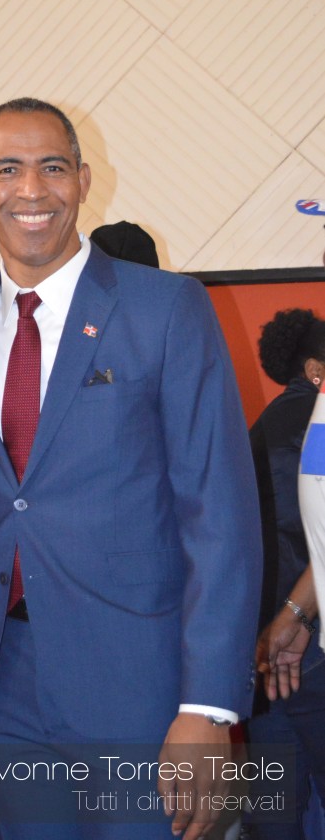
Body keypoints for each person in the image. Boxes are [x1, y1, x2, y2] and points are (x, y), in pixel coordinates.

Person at [0, 97, 262, 840]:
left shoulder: (166, 308)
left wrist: (208, 707)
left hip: (141, 685)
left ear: (83, 180)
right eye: (7, 169)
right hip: (1, 683)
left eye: (53, 167)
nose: (31, 190)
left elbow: (219, 513)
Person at [243, 309, 325, 837]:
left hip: (265, 650)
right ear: (315, 369)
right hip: (307, 642)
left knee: (275, 812)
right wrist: (297, 613)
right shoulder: (315, 424)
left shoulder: (263, 426)